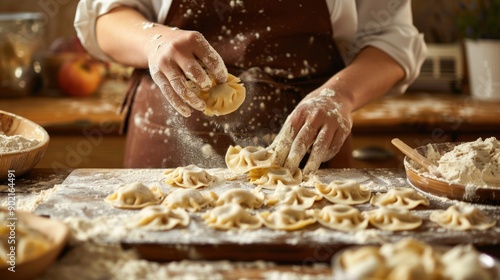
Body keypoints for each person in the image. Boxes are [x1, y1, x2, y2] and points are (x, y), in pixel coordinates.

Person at [75, 0, 426, 175]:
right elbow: (104, 16)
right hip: (168, 131)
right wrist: (155, 41)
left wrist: (342, 94)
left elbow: (391, 37)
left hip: (307, 141)